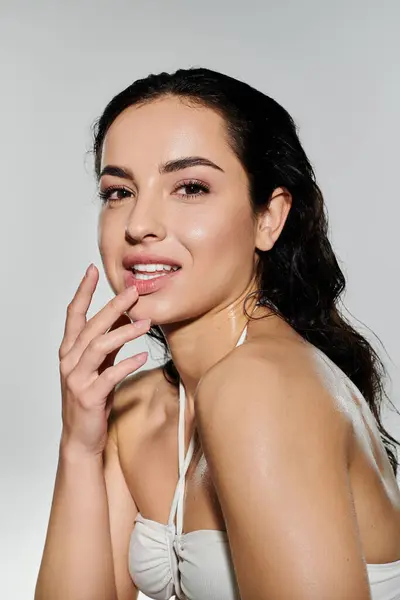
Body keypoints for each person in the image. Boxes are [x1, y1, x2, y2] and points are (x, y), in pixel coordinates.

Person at [35, 67, 400, 600]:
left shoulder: (260, 385)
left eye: (190, 187)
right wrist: (78, 446)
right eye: (119, 191)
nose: (139, 223)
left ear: (268, 218)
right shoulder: (140, 408)